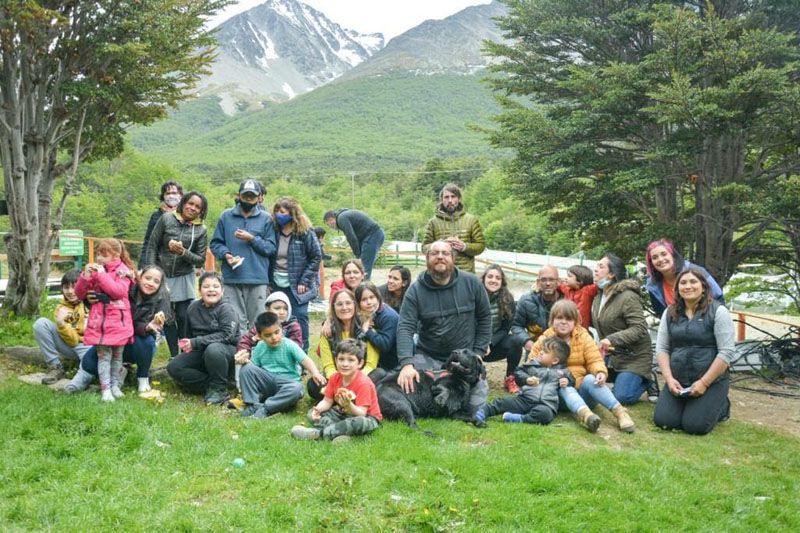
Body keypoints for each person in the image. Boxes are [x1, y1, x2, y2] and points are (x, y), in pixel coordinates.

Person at [396, 240, 491, 415]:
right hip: (428, 357)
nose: (440, 257)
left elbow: (485, 318)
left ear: (453, 259)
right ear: (427, 259)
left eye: (445, 253)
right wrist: (406, 363)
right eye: (435, 253)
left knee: (474, 408)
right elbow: (405, 328)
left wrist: (477, 352)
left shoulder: (472, 283)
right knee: (415, 396)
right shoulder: (415, 291)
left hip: (463, 359)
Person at [529, 300, 636, 433]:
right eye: (559, 318)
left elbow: (594, 359)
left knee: (591, 379)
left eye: (568, 319)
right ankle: (587, 417)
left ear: (575, 322)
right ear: (552, 320)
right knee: (564, 385)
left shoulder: (584, 337)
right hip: (556, 395)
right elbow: (531, 365)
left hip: (582, 391)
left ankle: (620, 413)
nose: (564, 322)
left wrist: (600, 372)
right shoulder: (544, 339)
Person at [653, 269, 735, 435]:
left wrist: (704, 383)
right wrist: (669, 379)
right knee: (664, 422)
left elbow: (726, 352)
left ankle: (722, 406)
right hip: (678, 379)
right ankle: (689, 404)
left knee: (694, 426)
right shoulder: (669, 312)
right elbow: (662, 348)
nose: (688, 286)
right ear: (677, 289)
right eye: (683, 283)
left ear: (703, 287)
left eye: (693, 282)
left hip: (710, 381)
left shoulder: (718, 311)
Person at [67, 265, 172, 394]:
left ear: (160, 284)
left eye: (156, 281)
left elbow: (159, 319)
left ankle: (143, 377)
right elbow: (106, 298)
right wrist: (91, 300)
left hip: (137, 344)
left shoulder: (161, 298)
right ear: (139, 277)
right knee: (89, 363)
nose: (150, 283)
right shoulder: (125, 288)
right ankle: (118, 371)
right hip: (113, 338)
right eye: (147, 278)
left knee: (146, 341)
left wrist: (150, 326)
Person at [146, 191, 209, 357]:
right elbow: (152, 245)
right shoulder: (166, 219)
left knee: (184, 316)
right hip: (163, 275)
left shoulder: (201, 229)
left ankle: (185, 354)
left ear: (201, 211)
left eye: (198, 207)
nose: (193, 208)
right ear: (183, 203)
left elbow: (200, 259)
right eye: (190, 203)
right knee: (167, 317)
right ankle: (174, 355)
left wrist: (183, 252)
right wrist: (152, 271)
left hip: (184, 276)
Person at [74, 239, 136, 402]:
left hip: (119, 323)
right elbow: (79, 294)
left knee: (117, 356)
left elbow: (117, 292)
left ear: (116, 255)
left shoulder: (124, 271)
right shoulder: (97, 271)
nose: (99, 258)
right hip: (100, 324)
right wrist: (85, 277)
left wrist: (101, 275)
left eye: (104, 255)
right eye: (98, 254)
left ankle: (115, 385)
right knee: (104, 357)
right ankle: (105, 389)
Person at [210, 179, 276, 331]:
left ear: (259, 197)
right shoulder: (226, 216)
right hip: (231, 278)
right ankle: (238, 347)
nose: (248, 199)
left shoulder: (266, 219)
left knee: (258, 323)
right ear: (238, 195)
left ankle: (257, 347)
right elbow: (215, 243)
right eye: (245, 195)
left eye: (252, 196)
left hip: (257, 279)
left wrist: (252, 239)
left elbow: (270, 248)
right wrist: (226, 254)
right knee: (234, 323)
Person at [166, 272, 239, 405]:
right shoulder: (193, 307)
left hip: (226, 352)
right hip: (201, 351)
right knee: (174, 366)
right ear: (199, 291)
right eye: (206, 286)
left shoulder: (227, 309)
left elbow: (227, 335)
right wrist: (187, 349)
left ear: (222, 290)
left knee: (213, 349)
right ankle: (212, 385)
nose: (211, 289)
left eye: (216, 286)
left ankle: (219, 389)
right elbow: (189, 336)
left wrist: (196, 342)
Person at [235, 312, 325, 419]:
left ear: (281, 329)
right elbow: (254, 370)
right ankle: (252, 404)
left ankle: (266, 408)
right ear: (259, 336)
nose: (274, 337)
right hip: (268, 381)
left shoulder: (289, 345)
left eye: (277, 332)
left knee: (297, 388)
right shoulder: (260, 347)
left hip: (287, 383)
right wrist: (245, 361)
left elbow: (305, 360)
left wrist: (315, 373)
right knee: (246, 368)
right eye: (268, 335)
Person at [291, 339, 382, 443]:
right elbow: (327, 401)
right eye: (341, 359)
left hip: (367, 417)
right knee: (311, 413)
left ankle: (318, 434)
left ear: (360, 363)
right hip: (342, 413)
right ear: (336, 360)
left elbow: (361, 413)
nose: (345, 364)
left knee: (360, 422)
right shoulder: (335, 377)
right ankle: (340, 432)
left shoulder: (363, 383)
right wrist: (318, 410)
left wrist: (349, 405)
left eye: (351, 360)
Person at [592, 253, 653, 405]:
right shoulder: (598, 296)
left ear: (611, 274)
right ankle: (622, 379)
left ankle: (647, 380)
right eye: (596, 265)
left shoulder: (628, 296)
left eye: (601, 266)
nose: (595, 269)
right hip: (612, 356)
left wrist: (611, 339)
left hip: (634, 357)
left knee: (622, 397)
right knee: (586, 379)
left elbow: (639, 328)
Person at [474, 337, 573, 425]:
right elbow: (518, 373)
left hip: (545, 404)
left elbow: (572, 380)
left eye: (545, 352)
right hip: (524, 400)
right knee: (502, 402)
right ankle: (482, 412)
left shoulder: (562, 372)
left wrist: (567, 381)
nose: (541, 352)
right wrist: (526, 379)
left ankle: (520, 419)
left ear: (555, 360)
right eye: (542, 350)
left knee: (545, 415)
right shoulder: (532, 365)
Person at [269, 196, 322, 351]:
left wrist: (304, 280)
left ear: (293, 213)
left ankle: (302, 353)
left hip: (298, 284)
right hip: (276, 282)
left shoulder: (305, 233)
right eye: (277, 211)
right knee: (276, 318)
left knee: (299, 317)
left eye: (283, 212)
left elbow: (316, 257)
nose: (279, 215)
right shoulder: (273, 231)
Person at [310, 289, 379, 401]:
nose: (344, 307)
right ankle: (347, 398)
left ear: (354, 305)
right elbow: (329, 366)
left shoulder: (366, 328)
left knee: (379, 374)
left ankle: (339, 399)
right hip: (338, 376)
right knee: (313, 385)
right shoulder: (327, 332)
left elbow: (370, 365)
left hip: (362, 377)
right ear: (334, 307)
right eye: (339, 304)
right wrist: (340, 383)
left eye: (348, 303)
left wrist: (353, 381)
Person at [33, 269, 91, 384]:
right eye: (66, 287)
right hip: (71, 344)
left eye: (74, 287)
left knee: (89, 372)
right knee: (40, 324)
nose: (70, 291)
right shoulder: (61, 308)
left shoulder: (91, 303)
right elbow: (73, 341)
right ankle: (56, 367)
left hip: (90, 346)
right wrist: (61, 324)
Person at [644, 239, 725, 317]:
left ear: (672, 255)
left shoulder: (696, 271)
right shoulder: (653, 285)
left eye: (664, 254)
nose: (660, 259)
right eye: (655, 257)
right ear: (651, 263)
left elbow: (718, 297)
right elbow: (661, 313)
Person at [421, 183, 485, 273]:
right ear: (442, 200)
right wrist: (440, 245)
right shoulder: (433, 222)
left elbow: (481, 246)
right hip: (440, 273)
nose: (450, 200)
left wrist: (464, 247)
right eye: (446, 197)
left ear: (459, 199)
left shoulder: (471, 220)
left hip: (465, 273)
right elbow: (424, 248)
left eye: (453, 196)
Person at [481, 264, 524, 393]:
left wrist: (490, 342)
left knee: (516, 340)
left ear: (502, 281)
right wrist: (480, 343)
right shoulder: (474, 294)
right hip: (473, 344)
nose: (493, 280)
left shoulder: (508, 299)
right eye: (490, 276)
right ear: (484, 279)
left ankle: (510, 378)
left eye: (497, 278)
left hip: (493, 346)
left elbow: (505, 329)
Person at [511, 265, 563, 354]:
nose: (548, 283)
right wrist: (526, 341)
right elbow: (516, 325)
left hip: (560, 350)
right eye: (543, 280)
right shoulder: (526, 301)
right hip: (535, 349)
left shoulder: (567, 301)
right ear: (538, 282)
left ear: (558, 282)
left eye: (551, 279)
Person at [323, 208, 385, 279]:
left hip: (373, 235)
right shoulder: (343, 216)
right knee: (363, 265)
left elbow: (351, 237)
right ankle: (362, 283)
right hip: (372, 235)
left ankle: (364, 285)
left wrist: (358, 255)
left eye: (328, 224)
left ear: (331, 219)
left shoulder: (341, 219)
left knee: (363, 267)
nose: (330, 227)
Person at [355, 281, 400, 372]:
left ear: (378, 297)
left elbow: (385, 345)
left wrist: (367, 331)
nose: (369, 302)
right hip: (375, 358)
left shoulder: (388, 316)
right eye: (364, 299)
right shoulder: (366, 313)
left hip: (392, 364)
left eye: (372, 297)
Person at [139, 181, 182, 268]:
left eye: (174, 193)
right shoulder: (157, 216)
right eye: (168, 193)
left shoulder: (186, 215)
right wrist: (143, 265)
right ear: (163, 196)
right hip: (159, 263)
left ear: (180, 195)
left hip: (180, 265)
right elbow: (148, 242)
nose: (171, 196)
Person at [559, 264, 597, 332]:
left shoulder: (587, 291)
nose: (566, 278)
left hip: (581, 330)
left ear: (579, 281)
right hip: (567, 328)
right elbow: (558, 285)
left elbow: (597, 285)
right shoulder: (568, 290)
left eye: (569, 276)